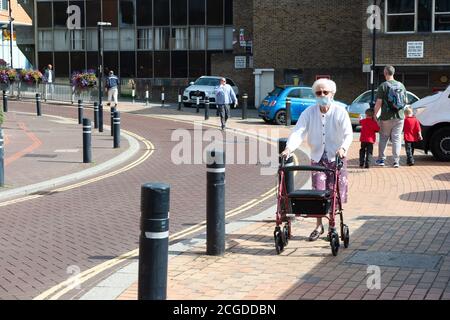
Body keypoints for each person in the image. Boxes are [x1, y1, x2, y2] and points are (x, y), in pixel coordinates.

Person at [280, 78, 353, 241]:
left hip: (337, 158)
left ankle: (332, 226)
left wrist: (343, 148)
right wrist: (289, 148)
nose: (322, 95)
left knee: (335, 193)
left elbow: (348, 134)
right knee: (318, 193)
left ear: (332, 94)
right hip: (317, 157)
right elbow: (298, 131)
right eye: (318, 93)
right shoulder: (309, 112)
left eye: (325, 92)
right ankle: (319, 226)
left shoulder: (340, 112)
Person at [374, 65, 407, 168]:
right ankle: (396, 161)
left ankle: (381, 160)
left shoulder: (383, 86)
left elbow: (378, 103)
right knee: (397, 139)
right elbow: (405, 101)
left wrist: (375, 115)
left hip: (386, 117)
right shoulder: (401, 85)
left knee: (384, 138)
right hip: (400, 116)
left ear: (385, 73)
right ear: (393, 73)